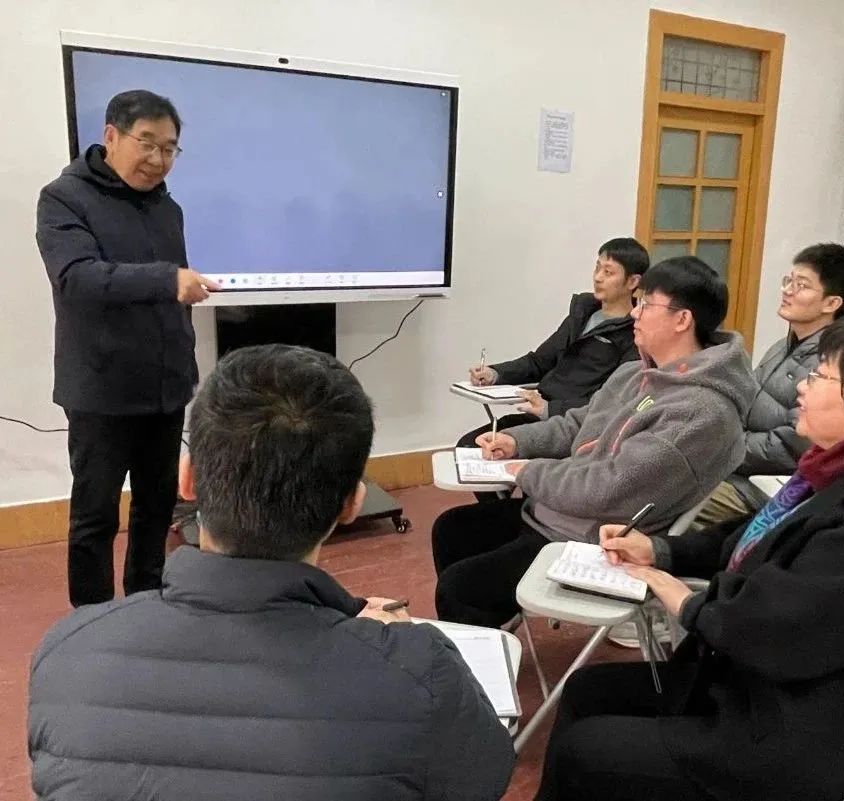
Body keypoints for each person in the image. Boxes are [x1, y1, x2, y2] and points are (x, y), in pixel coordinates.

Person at [28, 345, 514, 801]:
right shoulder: (419, 673)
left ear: (188, 479)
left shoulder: (68, 650)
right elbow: (483, 777)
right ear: (352, 503)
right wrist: (397, 646)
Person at [538, 309, 844, 801]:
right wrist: (660, 550)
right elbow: (751, 540)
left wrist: (673, 591)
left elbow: (763, 631)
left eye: (820, 376)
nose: (803, 386)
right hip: (755, 689)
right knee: (586, 691)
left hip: (792, 741)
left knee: (585, 751)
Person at [434, 256, 758, 628]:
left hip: (593, 539)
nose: (634, 313)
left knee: (459, 587)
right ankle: (489, 631)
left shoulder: (699, 412)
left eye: (646, 304)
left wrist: (528, 472)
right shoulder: (636, 373)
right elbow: (578, 424)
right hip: (560, 515)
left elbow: (608, 488)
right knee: (451, 530)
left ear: (682, 320)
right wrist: (515, 441)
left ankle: (480, 643)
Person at [36, 89, 220, 607]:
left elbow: (172, 297)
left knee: (156, 508)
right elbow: (77, 279)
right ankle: (90, 619)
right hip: (101, 388)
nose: (158, 159)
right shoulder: (64, 198)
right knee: (95, 515)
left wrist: (184, 359)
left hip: (164, 386)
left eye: (169, 148)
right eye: (147, 143)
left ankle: (146, 604)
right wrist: (168, 279)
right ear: (111, 136)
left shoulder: (168, 208)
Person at [694, 242, 844, 526]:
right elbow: (742, 401)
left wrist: (720, 447)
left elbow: (793, 444)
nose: (788, 291)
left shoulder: (832, 361)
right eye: (789, 281)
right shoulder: (782, 345)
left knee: (672, 498)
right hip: (734, 467)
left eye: (802, 285)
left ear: (831, 303)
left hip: (762, 486)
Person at [459, 237, 649, 445]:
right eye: (597, 268)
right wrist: (495, 374)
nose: (597, 277)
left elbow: (609, 400)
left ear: (632, 282)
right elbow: (540, 361)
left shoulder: (635, 333)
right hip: (540, 413)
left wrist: (550, 409)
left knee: (479, 446)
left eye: (608, 272)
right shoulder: (582, 314)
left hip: (575, 427)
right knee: (469, 443)